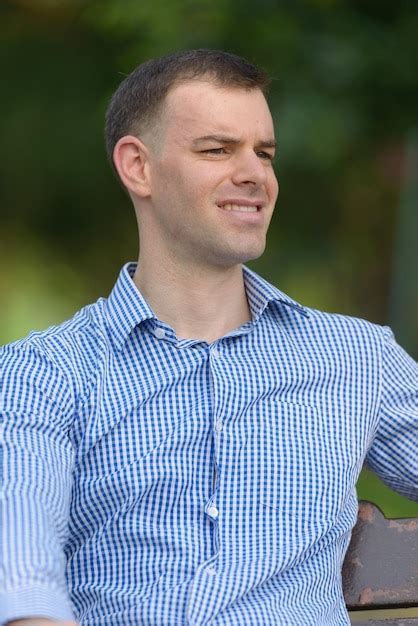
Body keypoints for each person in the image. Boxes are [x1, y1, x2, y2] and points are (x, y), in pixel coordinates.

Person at [0, 49, 417, 626]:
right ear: (137, 167)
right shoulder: (44, 374)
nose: (255, 174)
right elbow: (24, 581)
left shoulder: (357, 358)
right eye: (217, 149)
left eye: (264, 154)